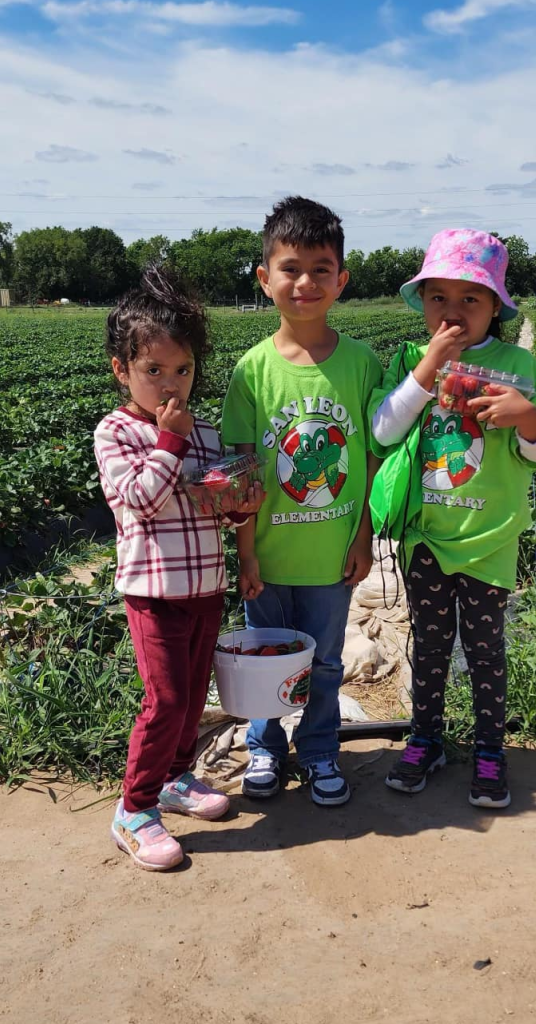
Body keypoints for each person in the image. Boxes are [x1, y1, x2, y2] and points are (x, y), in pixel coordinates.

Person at [370, 229, 536, 809]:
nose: (452, 313)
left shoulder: (518, 365)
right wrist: (429, 366)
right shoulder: (410, 361)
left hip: (488, 539)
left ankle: (488, 750)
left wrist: (527, 418)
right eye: (438, 299)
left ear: (495, 308)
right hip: (426, 537)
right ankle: (425, 738)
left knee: (484, 649)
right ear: (421, 303)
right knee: (429, 645)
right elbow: (383, 433)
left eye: (470, 300)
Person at [94, 266, 263, 870]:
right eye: (153, 371)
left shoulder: (206, 433)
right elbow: (139, 498)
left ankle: (175, 776)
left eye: (183, 370)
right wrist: (169, 443)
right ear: (123, 370)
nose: (172, 385)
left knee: (193, 698)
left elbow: (223, 499)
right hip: (154, 592)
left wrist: (241, 502)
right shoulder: (117, 433)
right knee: (164, 700)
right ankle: (134, 809)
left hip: (206, 587)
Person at [221, 196, 383, 807]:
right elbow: (240, 476)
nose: (306, 282)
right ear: (265, 280)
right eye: (290, 267)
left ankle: (318, 752)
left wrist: (363, 536)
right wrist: (247, 555)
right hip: (269, 552)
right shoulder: (251, 372)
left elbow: (368, 458)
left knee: (324, 664)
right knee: (266, 662)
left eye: (321, 268)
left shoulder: (362, 364)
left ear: (341, 278)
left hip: (332, 556)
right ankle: (265, 747)